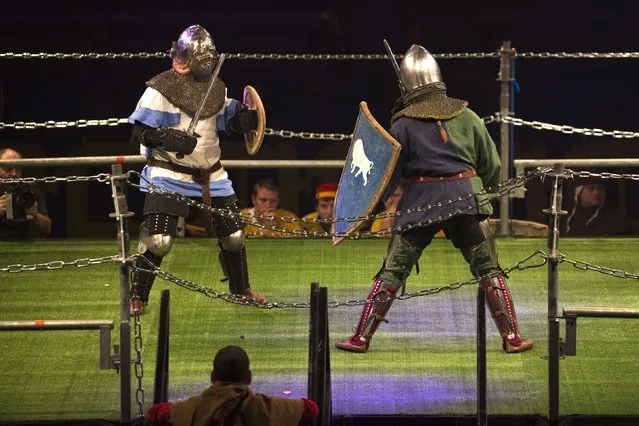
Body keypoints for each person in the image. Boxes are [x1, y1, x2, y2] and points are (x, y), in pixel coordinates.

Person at [335, 44, 534, 354]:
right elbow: (491, 165)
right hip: (466, 198)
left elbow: (388, 176)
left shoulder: (402, 124)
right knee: (489, 270)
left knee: (392, 270)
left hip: (421, 204)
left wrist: (369, 212)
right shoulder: (467, 116)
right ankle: (512, 338)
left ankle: (361, 337)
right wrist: (485, 196)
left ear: (406, 85)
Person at [128, 24, 265, 314]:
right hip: (169, 173)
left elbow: (228, 119)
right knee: (160, 240)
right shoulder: (160, 89)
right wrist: (167, 137)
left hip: (211, 174)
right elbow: (139, 132)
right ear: (186, 57)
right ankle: (138, 295)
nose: (207, 61)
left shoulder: (217, 87)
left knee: (234, 236)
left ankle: (241, 289)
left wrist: (243, 121)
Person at [145, 345, 319, 426]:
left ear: (213, 377)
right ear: (249, 377)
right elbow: (311, 409)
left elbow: (155, 413)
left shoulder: (190, 409)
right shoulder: (267, 408)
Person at [0, 148, 51, 239]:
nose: (14, 174)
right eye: (8, 169)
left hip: (23, 241)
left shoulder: (29, 190)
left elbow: (47, 229)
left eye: (18, 169)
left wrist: (36, 216)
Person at [565, 180, 634, 236]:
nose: (596, 192)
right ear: (579, 193)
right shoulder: (566, 216)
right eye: (591, 188)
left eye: (600, 188)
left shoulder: (616, 219)